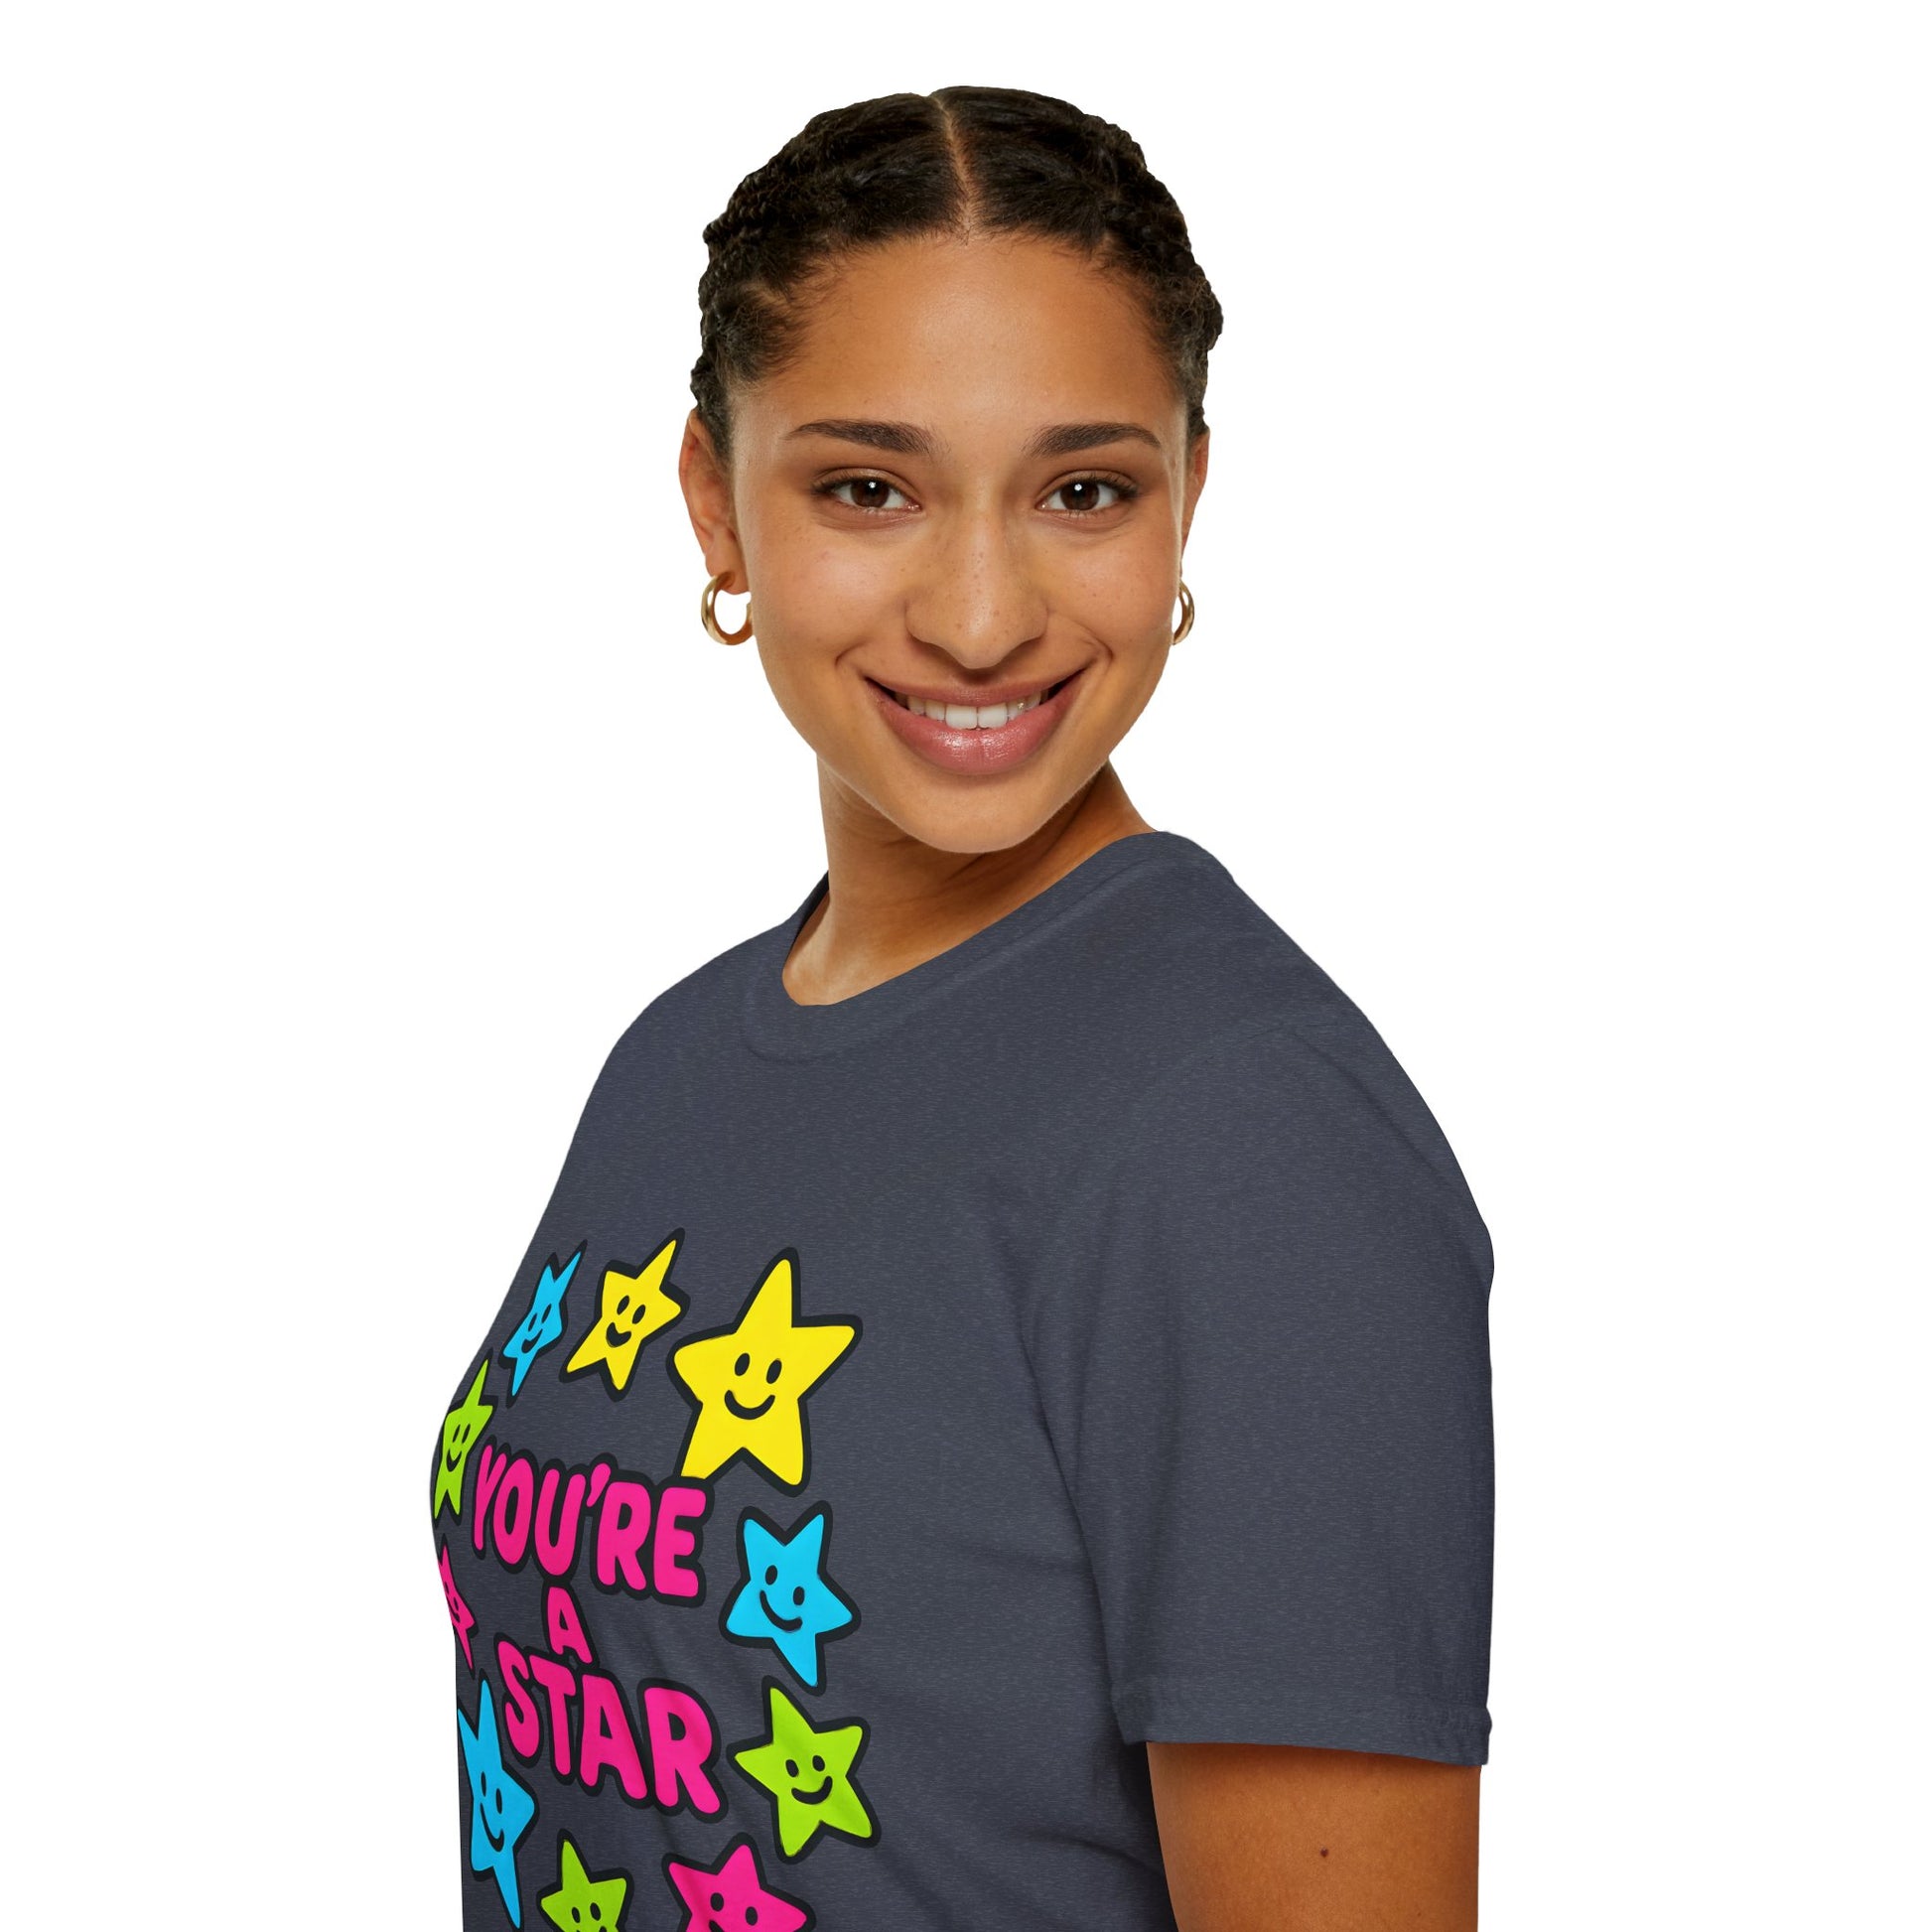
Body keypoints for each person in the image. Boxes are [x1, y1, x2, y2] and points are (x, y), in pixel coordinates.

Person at [429, 84, 1494, 1932]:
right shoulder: (675, 1056)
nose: (983, 614)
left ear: (1188, 497)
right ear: (715, 500)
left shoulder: (1245, 1136)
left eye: (1084, 491)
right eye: (868, 488)